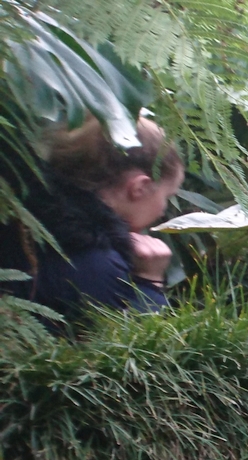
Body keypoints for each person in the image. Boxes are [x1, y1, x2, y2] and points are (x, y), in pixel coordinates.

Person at [4, 118, 183, 319]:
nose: (163, 212)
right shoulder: (97, 265)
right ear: (139, 188)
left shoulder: (16, 206)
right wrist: (150, 283)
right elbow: (136, 337)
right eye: (167, 197)